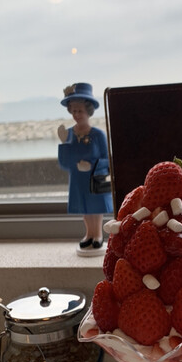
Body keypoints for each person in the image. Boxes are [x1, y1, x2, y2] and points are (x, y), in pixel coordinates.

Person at [57, 82, 113, 256]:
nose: (76, 115)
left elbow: (107, 159)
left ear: (88, 111)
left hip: (94, 179)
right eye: (74, 111)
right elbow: (64, 163)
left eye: (80, 111)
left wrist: (92, 165)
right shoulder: (69, 134)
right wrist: (64, 143)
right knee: (84, 209)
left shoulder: (98, 135)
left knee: (95, 209)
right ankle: (88, 234)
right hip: (78, 180)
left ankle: (98, 235)